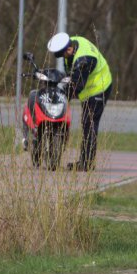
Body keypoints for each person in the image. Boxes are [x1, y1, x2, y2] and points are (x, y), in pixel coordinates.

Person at [47, 32, 112, 171]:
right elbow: (70, 75)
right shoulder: (73, 41)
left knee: (89, 123)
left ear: (69, 49)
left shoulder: (84, 60)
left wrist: (61, 98)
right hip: (88, 89)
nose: (62, 58)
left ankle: (87, 164)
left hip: (99, 88)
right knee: (86, 121)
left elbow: (77, 86)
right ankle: (85, 160)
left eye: (62, 54)